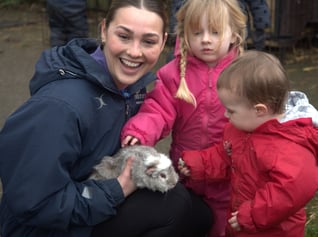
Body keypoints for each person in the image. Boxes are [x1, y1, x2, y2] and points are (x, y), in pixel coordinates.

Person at [0, 1, 212, 236]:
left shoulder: (129, 86)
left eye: (148, 41)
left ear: (163, 42)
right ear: (103, 30)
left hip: (91, 192)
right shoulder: (58, 108)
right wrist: (116, 190)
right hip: (43, 225)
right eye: (123, 36)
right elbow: (35, 203)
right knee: (173, 205)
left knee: (202, 216)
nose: (134, 51)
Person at [121, 0, 247, 236]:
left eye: (215, 32)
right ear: (185, 35)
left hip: (231, 175)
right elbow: (157, 109)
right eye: (197, 32)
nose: (206, 39)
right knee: (188, 221)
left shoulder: (245, 73)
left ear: (234, 35)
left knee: (224, 226)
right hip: (186, 172)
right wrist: (140, 131)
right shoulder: (173, 73)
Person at [178, 50, 318, 237]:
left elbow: (289, 191)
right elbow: (226, 155)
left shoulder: (290, 146)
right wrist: (199, 163)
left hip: (274, 230)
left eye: (231, 110)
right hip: (242, 223)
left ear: (259, 110)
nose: (226, 115)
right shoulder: (242, 129)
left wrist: (253, 213)